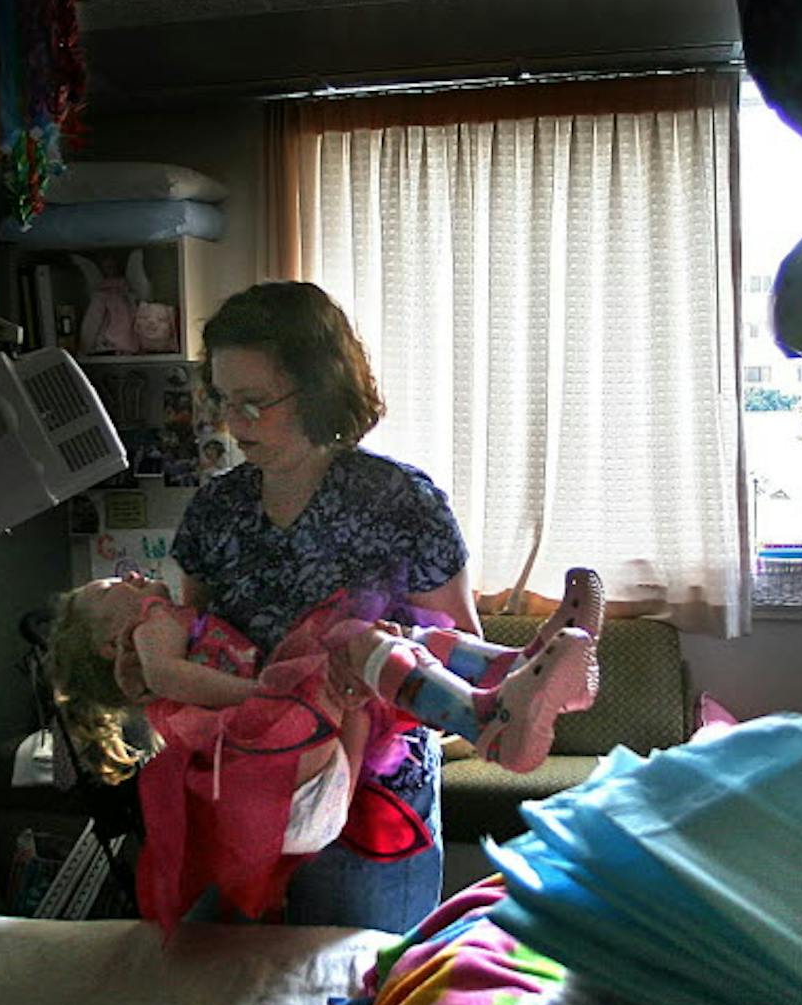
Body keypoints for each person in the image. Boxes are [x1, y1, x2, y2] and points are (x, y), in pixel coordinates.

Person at [168, 282, 603, 933]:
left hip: (370, 813)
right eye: (225, 400)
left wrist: (358, 693)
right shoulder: (215, 510)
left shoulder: (402, 502)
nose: (237, 423)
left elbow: (446, 663)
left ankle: (522, 674)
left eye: (256, 402)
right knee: (224, 1002)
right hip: (247, 797)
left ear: (318, 387)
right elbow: (190, 639)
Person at [46, 569, 600, 930]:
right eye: (108, 587)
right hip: (275, 769)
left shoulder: (163, 625)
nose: (130, 576)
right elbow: (172, 677)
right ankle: (487, 716)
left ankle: (515, 670)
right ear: (105, 640)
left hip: (297, 781)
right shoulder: (148, 630)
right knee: (356, 639)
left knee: (385, 641)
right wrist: (264, 695)